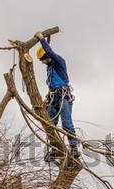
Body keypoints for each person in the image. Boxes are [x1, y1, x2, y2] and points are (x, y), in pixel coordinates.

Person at [35, 31, 80, 161]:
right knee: (50, 123)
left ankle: (73, 148)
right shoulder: (49, 69)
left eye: (42, 59)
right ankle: (56, 149)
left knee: (66, 123)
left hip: (64, 96)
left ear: (47, 56)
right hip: (54, 98)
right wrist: (46, 100)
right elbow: (51, 87)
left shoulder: (59, 62)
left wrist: (42, 39)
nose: (42, 62)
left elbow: (50, 52)